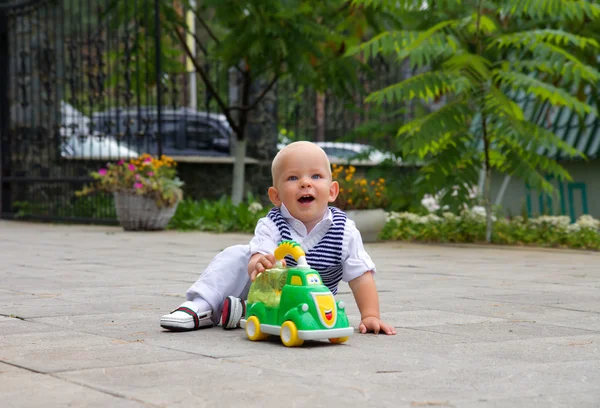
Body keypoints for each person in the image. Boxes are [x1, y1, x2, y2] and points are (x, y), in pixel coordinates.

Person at [160, 141, 396, 335]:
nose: (305, 182)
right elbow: (257, 258)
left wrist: (371, 315)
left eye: (316, 176)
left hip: (311, 308)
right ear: (276, 195)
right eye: (293, 178)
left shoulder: (345, 230)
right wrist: (260, 262)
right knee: (237, 253)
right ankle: (201, 305)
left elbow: (361, 276)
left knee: (353, 277)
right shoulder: (272, 224)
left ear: (332, 191)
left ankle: (238, 310)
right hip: (268, 297)